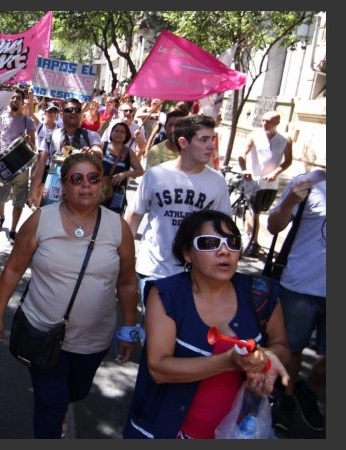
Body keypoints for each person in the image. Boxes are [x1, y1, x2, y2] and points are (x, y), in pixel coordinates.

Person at [0, 152, 140, 439]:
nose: (86, 185)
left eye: (93, 178)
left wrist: (129, 328)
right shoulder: (41, 220)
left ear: (102, 184)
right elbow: (13, 268)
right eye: (77, 179)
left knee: (77, 391)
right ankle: (54, 418)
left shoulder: (117, 227)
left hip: (93, 339)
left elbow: (128, 281)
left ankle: (61, 408)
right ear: (64, 185)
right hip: (42, 333)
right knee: (50, 404)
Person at [123, 209, 290, 439]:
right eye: (209, 243)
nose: (224, 251)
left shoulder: (261, 293)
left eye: (232, 242)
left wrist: (269, 359)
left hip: (238, 432)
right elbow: (159, 368)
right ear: (187, 253)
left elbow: (281, 345)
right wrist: (229, 361)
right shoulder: (167, 295)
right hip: (169, 432)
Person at [124, 115, 231, 309]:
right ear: (183, 142)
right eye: (203, 139)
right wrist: (124, 259)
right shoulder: (155, 175)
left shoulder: (217, 182)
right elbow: (134, 216)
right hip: (153, 271)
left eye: (212, 139)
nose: (211, 146)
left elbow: (224, 231)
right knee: (153, 333)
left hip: (195, 275)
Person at [267, 169, 326, 433]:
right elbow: (273, 226)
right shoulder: (308, 183)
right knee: (292, 347)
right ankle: (287, 398)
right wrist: (290, 201)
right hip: (300, 286)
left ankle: (308, 388)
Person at [28, 98, 103, 211]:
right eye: (69, 110)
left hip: (81, 192)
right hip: (54, 191)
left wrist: (92, 152)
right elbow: (40, 166)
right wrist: (32, 193)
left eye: (77, 110)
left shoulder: (91, 136)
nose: (73, 112)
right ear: (62, 114)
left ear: (81, 114)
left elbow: (99, 153)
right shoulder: (51, 137)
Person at [237, 111, 293, 257]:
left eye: (268, 121)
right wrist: (244, 169)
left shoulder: (285, 139)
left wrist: (276, 172)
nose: (264, 124)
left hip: (271, 184)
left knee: (260, 212)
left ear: (277, 123)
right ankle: (254, 241)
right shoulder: (255, 135)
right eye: (263, 120)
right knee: (253, 211)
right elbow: (242, 154)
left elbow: (288, 161)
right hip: (253, 181)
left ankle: (250, 235)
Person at [0, 88, 37, 243]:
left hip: (21, 166)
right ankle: (1, 217)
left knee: (19, 201)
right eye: (12, 98)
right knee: (0, 199)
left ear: (22, 101)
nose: (14, 100)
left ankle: (12, 230)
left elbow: (33, 145)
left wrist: (28, 140)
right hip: (3, 165)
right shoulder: (1, 119)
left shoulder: (27, 121)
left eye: (18, 98)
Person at [100, 122, 144, 215]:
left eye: (122, 132)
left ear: (126, 136)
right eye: (116, 131)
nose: (119, 133)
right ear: (111, 133)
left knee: (114, 220)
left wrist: (124, 174)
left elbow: (140, 171)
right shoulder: (103, 146)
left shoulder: (128, 152)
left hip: (118, 193)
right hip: (99, 190)